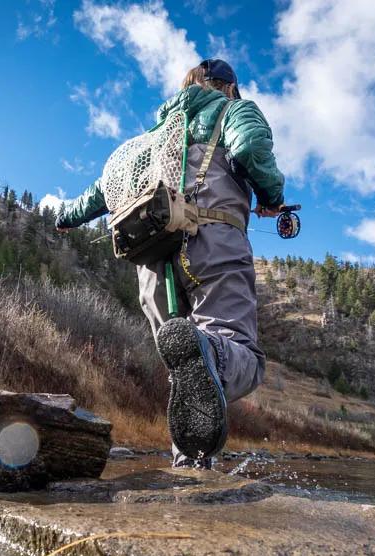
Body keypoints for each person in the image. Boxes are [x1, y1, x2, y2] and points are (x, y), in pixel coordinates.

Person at [55, 59, 286, 469]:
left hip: (151, 262)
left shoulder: (156, 134)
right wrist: (271, 197)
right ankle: (209, 361)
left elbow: (99, 192)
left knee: (187, 373)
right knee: (236, 354)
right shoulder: (233, 108)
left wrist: (67, 217)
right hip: (212, 242)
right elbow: (250, 146)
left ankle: (190, 467)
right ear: (229, 87)